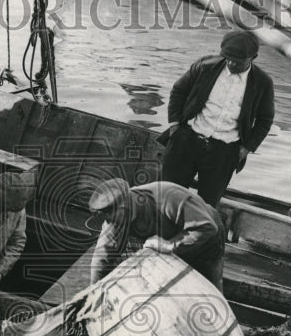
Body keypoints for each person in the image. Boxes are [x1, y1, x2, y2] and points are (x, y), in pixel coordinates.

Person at [159, 29, 275, 207]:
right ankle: (160, 234)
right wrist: (175, 125)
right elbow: (179, 91)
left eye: (237, 61)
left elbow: (265, 120)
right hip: (187, 140)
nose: (230, 63)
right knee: (167, 196)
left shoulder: (262, 83)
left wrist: (247, 148)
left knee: (206, 207)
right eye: (227, 58)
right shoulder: (205, 65)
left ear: (253, 57)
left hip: (224, 152)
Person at [88, 178, 225, 291]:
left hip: (206, 239)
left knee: (211, 294)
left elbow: (207, 227)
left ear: (125, 206)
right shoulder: (115, 219)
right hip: (169, 245)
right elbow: (102, 258)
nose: (113, 225)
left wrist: (170, 245)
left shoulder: (169, 196)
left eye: (114, 220)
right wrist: (94, 293)